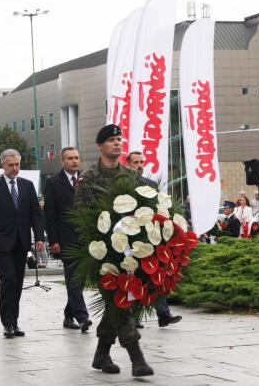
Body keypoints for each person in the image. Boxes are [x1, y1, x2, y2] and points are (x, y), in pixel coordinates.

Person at [75, 124, 153, 377]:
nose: (117, 144)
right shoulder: (88, 178)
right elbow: (83, 219)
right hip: (102, 254)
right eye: (111, 140)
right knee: (119, 302)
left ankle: (101, 354)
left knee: (115, 304)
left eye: (119, 139)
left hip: (130, 252)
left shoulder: (131, 177)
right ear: (100, 146)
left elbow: (142, 211)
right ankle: (137, 357)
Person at [0, 149, 44, 339]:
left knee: (17, 283)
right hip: (1, 243)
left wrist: (39, 237)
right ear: (2, 165)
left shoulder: (27, 185)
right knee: (7, 279)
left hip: (22, 241)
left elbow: (35, 213)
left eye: (17, 164)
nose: (15, 168)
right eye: (11, 165)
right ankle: (7, 322)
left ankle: (14, 322)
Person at [125, 151, 182, 328]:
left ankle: (163, 314)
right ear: (128, 164)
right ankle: (133, 317)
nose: (140, 165)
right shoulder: (123, 185)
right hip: (130, 234)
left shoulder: (150, 184)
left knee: (157, 273)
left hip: (151, 234)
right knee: (134, 276)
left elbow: (158, 206)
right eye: (136, 162)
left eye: (142, 162)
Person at [44, 147, 92, 332]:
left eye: (77, 158)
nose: (74, 161)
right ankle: (82, 317)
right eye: (70, 158)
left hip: (86, 239)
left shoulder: (85, 180)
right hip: (66, 240)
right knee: (73, 279)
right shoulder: (54, 182)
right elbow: (50, 214)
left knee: (79, 281)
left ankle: (68, 314)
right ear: (62, 161)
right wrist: (53, 241)